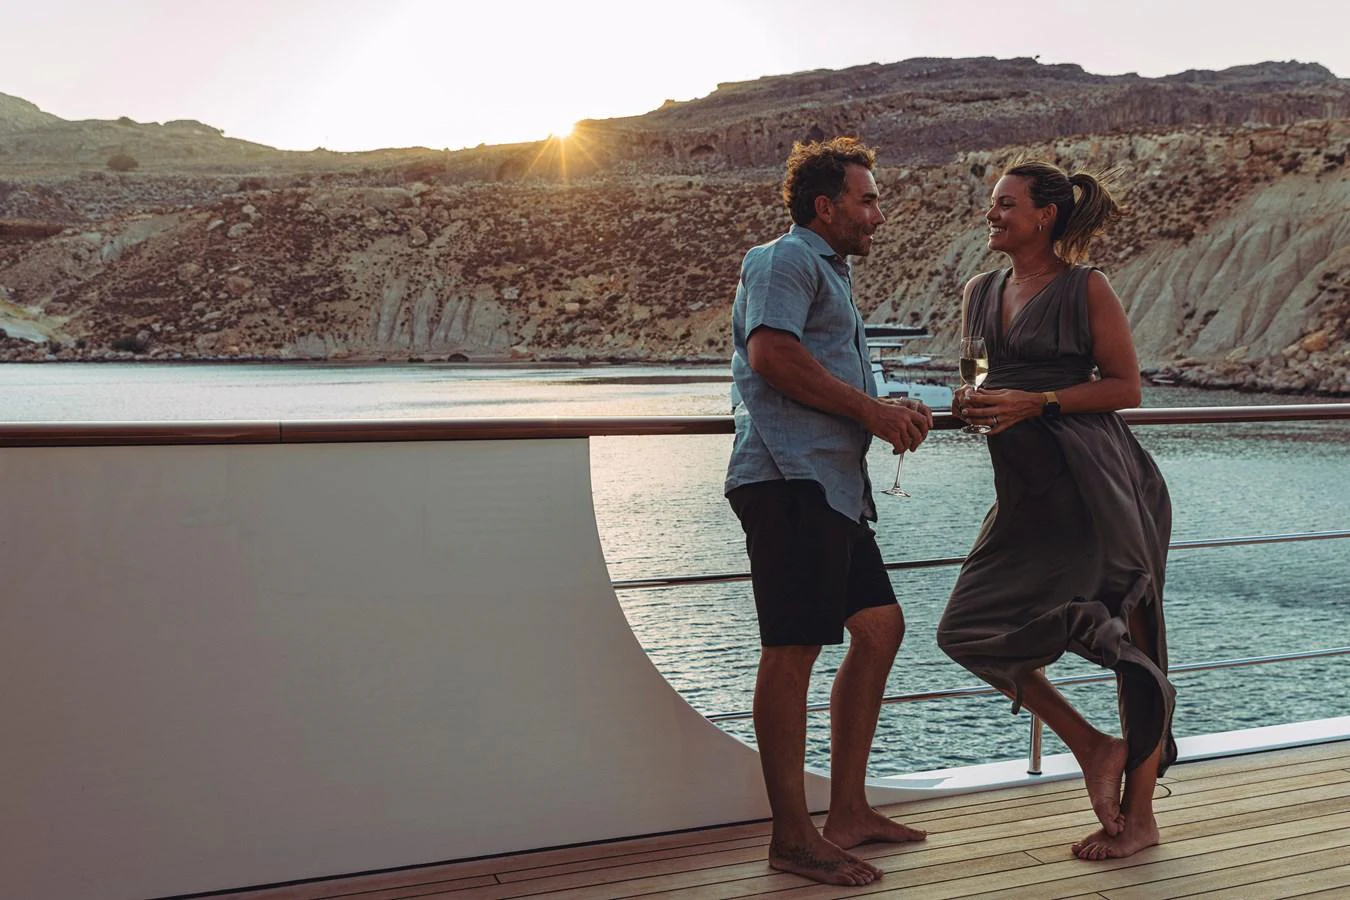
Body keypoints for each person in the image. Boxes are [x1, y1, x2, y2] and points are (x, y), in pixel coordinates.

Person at [938, 160, 1175, 861]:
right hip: (1025, 491)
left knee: (1135, 633)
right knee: (964, 628)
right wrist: (970, 403)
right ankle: (1091, 744)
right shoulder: (979, 291)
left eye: (1005, 204)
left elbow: (1126, 387)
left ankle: (1142, 818)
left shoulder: (1085, 287)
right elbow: (977, 376)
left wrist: (1036, 403)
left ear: (1045, 215)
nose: (993, 214)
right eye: (991, 204)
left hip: (1099, 483)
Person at [724, 137, 932, 887]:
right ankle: (792, 838)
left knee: (878, 628)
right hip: (788, 481)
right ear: (827, 205)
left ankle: (847, 813)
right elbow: (772, 356)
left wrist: (884, 407)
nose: (877, 214)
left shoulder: (828, 275)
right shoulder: (782, 259)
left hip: (830, 486)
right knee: (793, 650)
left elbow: (825, 374)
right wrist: (872, 414)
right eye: (867, 199)